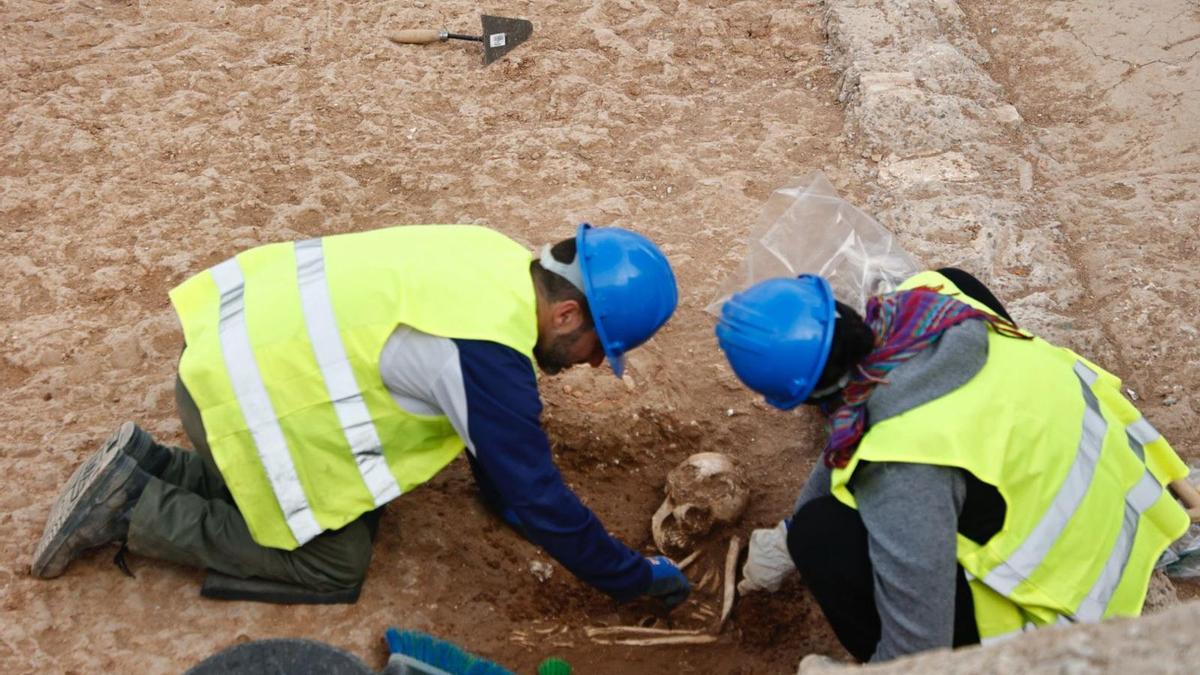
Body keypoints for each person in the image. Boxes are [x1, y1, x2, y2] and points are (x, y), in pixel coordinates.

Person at [32, 223, 691, 609]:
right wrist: (633, 579)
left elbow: (497, 451)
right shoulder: (489, 354)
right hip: (241, 401)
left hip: (222, 348)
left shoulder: (492, 256)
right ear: (569, 315)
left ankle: (151, 465)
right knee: (335, 562)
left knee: (359, 500)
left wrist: (506, 501)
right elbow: (538, 492)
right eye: (600, 347)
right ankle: (133, 510)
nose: (595, 363)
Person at [716, 267, 1193, 662]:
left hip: (1080, 597)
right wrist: (785, 529)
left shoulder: (904, 467)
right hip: (1133, 494)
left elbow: (921, 648)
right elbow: (854, 419)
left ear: (793, 396)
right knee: (808, 526)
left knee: (821, 537)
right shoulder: (941, 296)